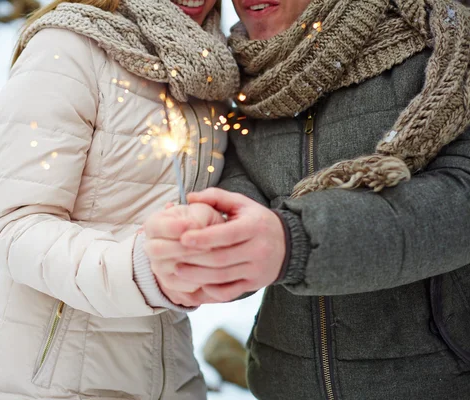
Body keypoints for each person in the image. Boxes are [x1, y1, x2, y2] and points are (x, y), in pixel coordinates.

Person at [141, 0, 470, 399]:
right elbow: (245, 187)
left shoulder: (440, 47)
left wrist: (296, 241)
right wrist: (216, 242)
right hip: (283, 384)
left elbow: (459, 197)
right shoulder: (247, 82)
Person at [0, 0, 239, 399]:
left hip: (173, 376)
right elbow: (15, 226)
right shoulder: (65, 48)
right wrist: (141, 270)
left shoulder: (209, 71)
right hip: (53, 382)